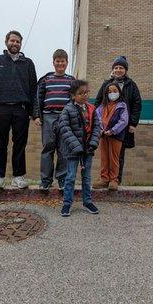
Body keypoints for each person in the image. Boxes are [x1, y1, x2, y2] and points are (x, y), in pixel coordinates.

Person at [0, 30, 37, 189]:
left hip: (21, 109)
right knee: (1, 143)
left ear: (21, 44)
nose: (15, 44)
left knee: (20, 144)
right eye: (12, 41)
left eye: (18, 42)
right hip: (1, 108)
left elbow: (33, 89)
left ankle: (18, 176)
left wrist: (34, 112)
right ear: (6, 42)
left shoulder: (28, 63)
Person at [94, 56, 142, 184]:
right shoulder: (106, 84)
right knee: (105, 154)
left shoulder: (132, 85)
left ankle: (116, 180)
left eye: (121, 68)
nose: (118, 70)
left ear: (125, 70)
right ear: (112, 70)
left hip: (122, 126)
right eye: (116, 68)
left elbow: (137, 104)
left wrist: (133, 123)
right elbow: (98, 102)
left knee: (118, 153)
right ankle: (104, 178)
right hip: (104, 126)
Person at [34, 49, 75, 191]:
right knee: (47, 148)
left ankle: (62, 179)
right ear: (53, 62)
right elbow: (38, 99)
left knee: (63, 149)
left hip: (65, 118)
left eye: (62, 61)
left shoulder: (71, 80)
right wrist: (37, 116)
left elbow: (75, 100)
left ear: (66, 62)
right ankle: (45, 180)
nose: (60, 64)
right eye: (57, 61)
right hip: (48, 117)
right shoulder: (46, 79)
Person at [59, 80, 101, 217]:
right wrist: (76, 146)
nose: (84, 95)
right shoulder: (67, 109)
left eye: (86, 92)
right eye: (80, 93)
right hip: (73, 150)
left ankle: (87, 201)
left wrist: (93, 143)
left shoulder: (92, 109)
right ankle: (67, 203)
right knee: (70, 177)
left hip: (87, 150)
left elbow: (96, 127)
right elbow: (64, 128)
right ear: (73, 95)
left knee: (87, 177)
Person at [93, 82, 128, 190]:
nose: (112, 93)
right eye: (109, 92)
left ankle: (114, 180)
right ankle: (104, 179)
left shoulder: (122, 105)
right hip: (103, 135)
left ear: (119, 92)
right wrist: (102, 130)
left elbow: (124, 121)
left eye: (114, 91)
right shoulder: (102, 106)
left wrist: (113, 130)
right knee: (104, 157)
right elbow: (98, 118)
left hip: (115, 135)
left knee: (114, 158)